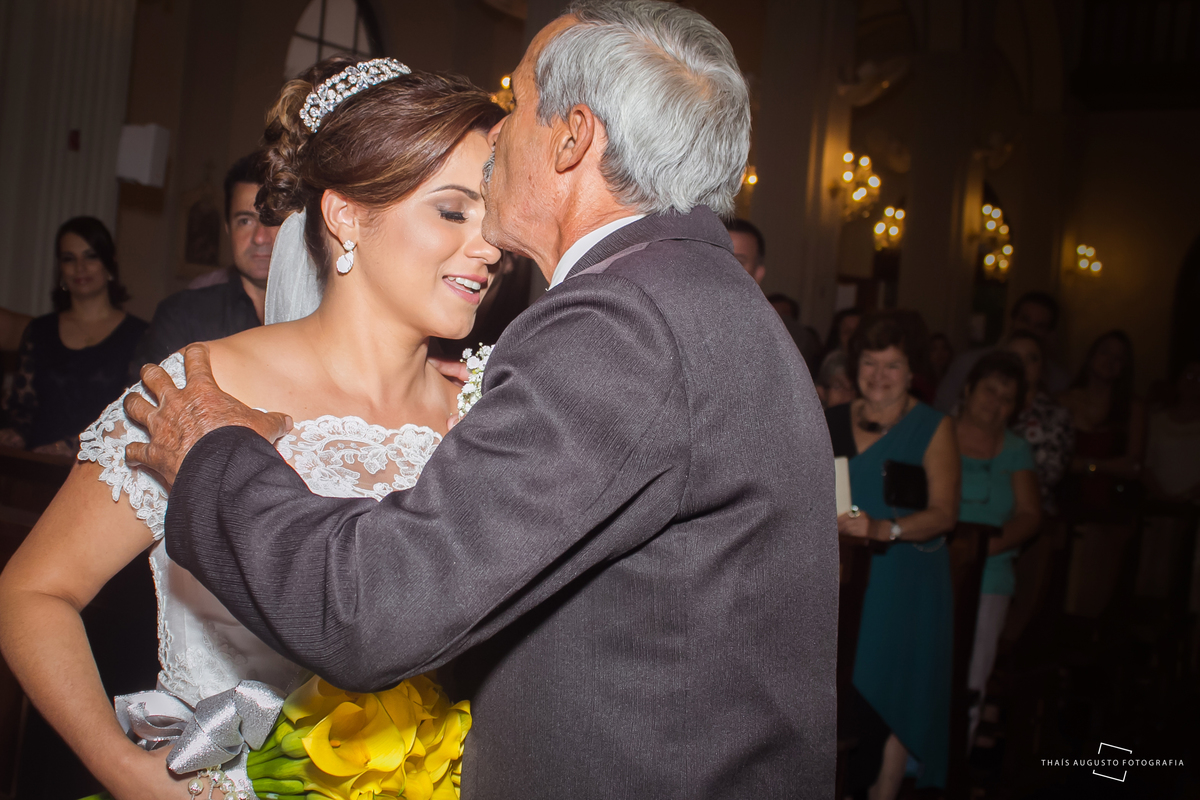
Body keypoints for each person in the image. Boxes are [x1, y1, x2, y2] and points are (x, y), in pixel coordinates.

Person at [120, 2, 838, 797]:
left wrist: (214, 452)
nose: (497, 133)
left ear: (571, 136)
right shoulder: (704, 299)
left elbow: (373, 609)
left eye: (516, 100)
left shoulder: (620, 325)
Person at [0, 59, 505, 799]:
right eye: (455, 211)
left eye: (494, 217)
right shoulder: (204, 388)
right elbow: (31, 594)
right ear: (346, 216)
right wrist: (122, 769)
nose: (488, 246)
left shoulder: (486, 414)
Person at [825, 311, 959, 796]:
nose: (879, 376)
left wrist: (886, 528)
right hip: (840, 576)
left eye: (893, 366)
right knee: (839, 694)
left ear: (911, 371)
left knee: (887, 689)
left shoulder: (933, 427)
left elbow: (945, 512)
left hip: (903, 577)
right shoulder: (833, 419)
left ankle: (882, 785)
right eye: (869, 363)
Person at [952, 351, 1040, 748]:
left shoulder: (1017, 450)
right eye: (989, 391)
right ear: (969, 390)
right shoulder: (939, 433)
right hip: (934, 565)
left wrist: (985, 547)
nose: (995, 403)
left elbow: (1029, 514)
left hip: (990, 572)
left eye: (1007, 398)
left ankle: (958, 755)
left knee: (973, 673)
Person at [0, 217, 146, 455]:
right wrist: (14, 433)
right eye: (69, 259)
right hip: (36, 469)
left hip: (100, 476)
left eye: (90, 256)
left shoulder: (141, 335)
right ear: (60, 269)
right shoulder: (39, 331)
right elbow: (22, 410)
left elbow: (133, 421)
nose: (80, 267)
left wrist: (70, 448)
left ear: (109, 263)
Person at [130, 153, 279, 374]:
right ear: (228, 229)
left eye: (272, 220)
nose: (259, 237)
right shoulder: (182, 316)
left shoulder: (319, 317)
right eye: (245, 221)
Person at [1058, 330, 1146, 618]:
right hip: (1067, 501)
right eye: (1105, 352)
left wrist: (1087, 465)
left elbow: (1132, 466)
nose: (1110, 361)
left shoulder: (1131, 408)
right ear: (1091, 356)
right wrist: (1100, 464)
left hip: (1111, 505)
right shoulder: (1065, 401)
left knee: (1098, 584)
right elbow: (1057, 458)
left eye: (1119, 358)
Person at [934, 291, 1070, 413]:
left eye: (1039, 326)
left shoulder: (1059, 381)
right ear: (1012, 321)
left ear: (1049, 333)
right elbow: (940, 412)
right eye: (1025, 320)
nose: (1029, 329)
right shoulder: (968, 363)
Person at [725, 217, 821, 366]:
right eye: (716, 259)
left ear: (758, 274)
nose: (723, 270)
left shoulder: (780, 341)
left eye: (737, 262)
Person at [1005, 331, 1074, 514]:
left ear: (1042, 366)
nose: (1022, 365)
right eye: (1014, 357)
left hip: (1033, 511)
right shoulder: (981, 405)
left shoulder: (1056, 416)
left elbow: (1048, 475)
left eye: (1032, 358)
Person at [1144, 359, 1200, 504]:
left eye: (1199, 378)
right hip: (1158, 507)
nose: (1193, 381)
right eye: (1189, 375)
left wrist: (1187, 498)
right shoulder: (1156, 419)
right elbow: (1145, 463)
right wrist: (1163, 499)